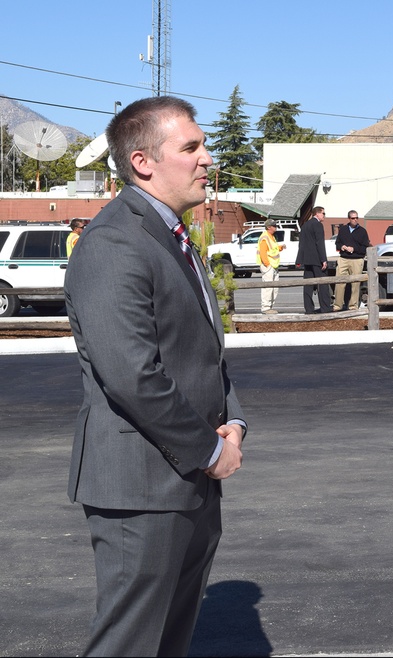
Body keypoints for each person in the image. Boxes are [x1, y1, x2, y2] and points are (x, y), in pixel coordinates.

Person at [63, 96, 247, 657]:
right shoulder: (114, 243)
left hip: (190, 481)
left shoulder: (171, 235)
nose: (207, 158)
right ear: (142, 161)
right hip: (141, 489)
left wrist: (233, 421)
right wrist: (208, 451)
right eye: (191, 147)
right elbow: (132, 375)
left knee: (167, 643)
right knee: (127, 645)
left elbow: (202, 354)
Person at [296, 206, 333, 314]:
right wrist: (323, 259)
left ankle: (309, 309)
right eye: (323, 213)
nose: (324, 216)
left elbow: (301, 243)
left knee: (308, 285)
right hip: (317, 259)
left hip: (307, 260)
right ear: (317, 214)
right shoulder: (317, 225)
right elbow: (319, 243)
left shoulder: (305, 225)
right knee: (322, 284)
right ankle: (325, 308)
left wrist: (300, 259)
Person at [333, 210, 371, 311]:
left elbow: (365, 247)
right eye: (353, 218)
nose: (355, 220)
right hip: (343, 259)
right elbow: (337, 243)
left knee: (355, 283)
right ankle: (337, 305)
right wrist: (343, 247)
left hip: (357, 260)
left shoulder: (362, 231)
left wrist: (354, 249)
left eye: (356, 218)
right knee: (340, 282)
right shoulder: (343, 230)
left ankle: (353, 306)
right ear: (349, 219)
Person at [257, 218, 285, 314]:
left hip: (274, 265)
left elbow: (273, 248)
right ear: (269, 227)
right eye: (274, 226)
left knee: (274, 288)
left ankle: (270, 307)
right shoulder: (265, 237)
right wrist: (267, 264)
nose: (275, 227)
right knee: (268, 287)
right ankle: (265, 308)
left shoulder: (271, 236)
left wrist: (280, 247)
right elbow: (263, 253)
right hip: (268, 266)